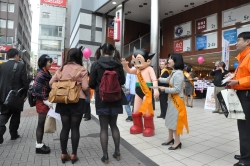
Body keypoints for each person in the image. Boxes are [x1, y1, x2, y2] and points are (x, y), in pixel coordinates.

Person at [49, 47, 89, 164]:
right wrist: (85, 93)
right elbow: (86, 87)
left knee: (65, 128)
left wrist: (62, 89)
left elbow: (51, 83)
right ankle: (73, 155)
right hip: (78, 100)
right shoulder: (82, 70)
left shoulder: (61, 69)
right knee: (75, 128)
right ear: (79, 57)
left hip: (63, 101)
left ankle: (63, 153)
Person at [89, 43, 127, 164]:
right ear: (112, 51)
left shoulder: (96, 64)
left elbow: (91, 84)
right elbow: (123, 81)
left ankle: (105, 156)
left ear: (102, 51)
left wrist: (100, 86)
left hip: (102, 98)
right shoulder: (118, 64)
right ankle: (117, 152)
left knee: (104, 128)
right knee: (114, 125)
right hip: (116, 98)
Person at [121, 49, 159, 137]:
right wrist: (125, 66)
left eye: (138, 61)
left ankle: (149, 127)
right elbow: (129, 71)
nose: (136, 64)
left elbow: (154, 79)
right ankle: (137, 125)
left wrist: (156, 89)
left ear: (148, 61)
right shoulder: (137, 69)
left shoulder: (149, 69)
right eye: (135, 61)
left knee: (146, 110)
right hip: (138, 91)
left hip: (147, 92)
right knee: (136, 110)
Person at [227, 32, 250, 166]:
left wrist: (238, 82)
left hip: (247, 95)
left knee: (245, 128)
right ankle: (245, 155)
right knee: (243, 127)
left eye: (238, 40)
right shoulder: (243, 57)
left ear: (248, 42)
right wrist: (233, 78)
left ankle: (246, 160)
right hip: (242, 95)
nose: (236, 42)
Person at [158, 53, 189, 150]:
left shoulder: (179, 73)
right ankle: (170, 138)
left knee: (175, 121)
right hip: (172, 100)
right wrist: (158, 79)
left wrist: (164, 89)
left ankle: (177, 142)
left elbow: (177, 89)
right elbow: (168, 80)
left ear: (176, 61)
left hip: (177, 101)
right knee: (170, 119)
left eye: (170, 59)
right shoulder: (174, 72)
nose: (168, 61)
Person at [0, 48, 29, 144]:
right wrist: (25, 94)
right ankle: (13, 134)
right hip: (16, 95)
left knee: (4, 113)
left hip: (3, 95)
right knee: (16, 114)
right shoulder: (20, 66)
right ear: (16, 55)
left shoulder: (2, 66)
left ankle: (0, 128)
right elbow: (25, 82)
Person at [32, 54, 53, 154]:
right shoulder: (41, 74)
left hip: (44, 101)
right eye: (49, 62)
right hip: (41, 102)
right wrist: (47, 101)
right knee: (40, 124)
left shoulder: (45, 72)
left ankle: (39, 143)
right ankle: (38, 145)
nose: (51, 64)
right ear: (44, 63)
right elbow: (38, 90)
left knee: (42, 123)